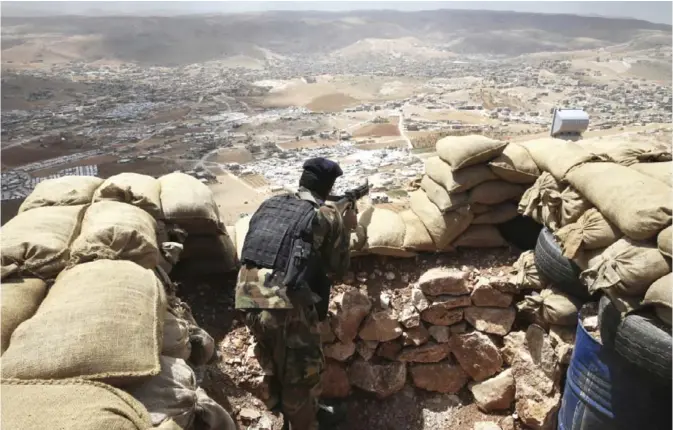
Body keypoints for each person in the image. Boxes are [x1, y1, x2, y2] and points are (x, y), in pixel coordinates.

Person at [235, 157, 357, 430]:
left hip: (246, 296)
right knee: (303, 376)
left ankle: (287, 414)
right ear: (328, 187)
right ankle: (305, 423)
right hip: (283, 305)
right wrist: (346, 226)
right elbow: (339, 266)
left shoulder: (270, 204)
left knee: (278, 359)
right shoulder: (324, 214)